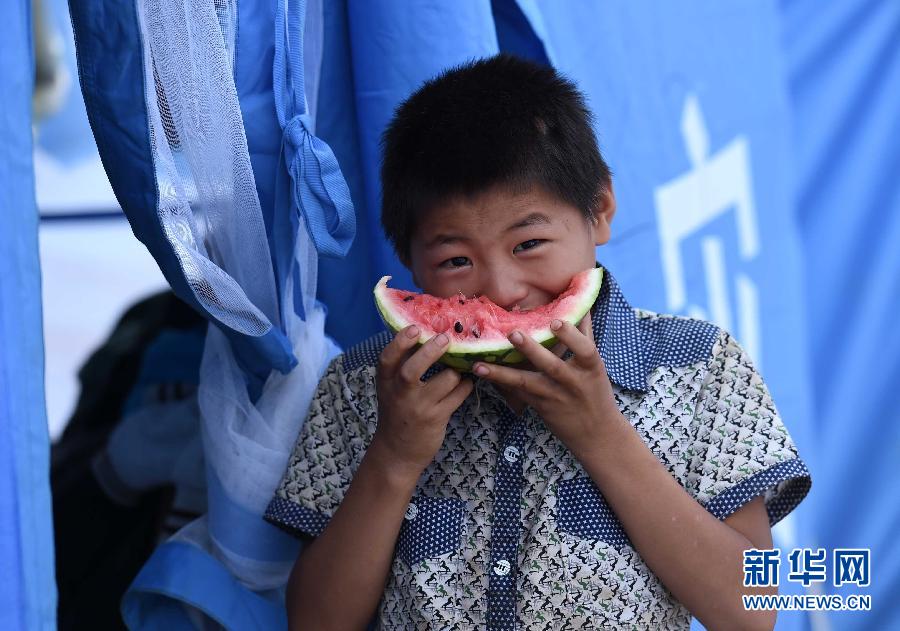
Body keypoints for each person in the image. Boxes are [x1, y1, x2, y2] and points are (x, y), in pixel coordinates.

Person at [264, 54, 811, 630]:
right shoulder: (359, 388)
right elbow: (316, 623)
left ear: (599, 210)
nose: (501, 290)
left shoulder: (702, 365)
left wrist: (601, 435)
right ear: (406, 258)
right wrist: (394, 458)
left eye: (528, 244)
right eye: (456, 260)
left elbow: (753, 613)